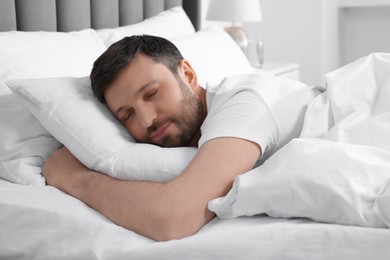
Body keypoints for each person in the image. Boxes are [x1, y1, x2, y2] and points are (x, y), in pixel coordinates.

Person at [42, 35, 319, 241]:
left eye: (151, 94)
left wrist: (75, 179)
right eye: (127, 115)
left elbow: (174, 217)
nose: (146, 119)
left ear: (187, 74)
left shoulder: (244, 101)